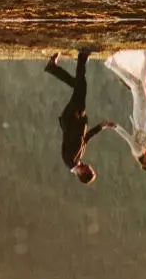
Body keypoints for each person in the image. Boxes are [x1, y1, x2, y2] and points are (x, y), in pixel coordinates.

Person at [44, 50, 115, 183]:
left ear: (82, 173)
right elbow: (86, 138)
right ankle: (53, 68)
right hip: (76, 116)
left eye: (89, 170)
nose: (89, 166)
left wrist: (78, 117)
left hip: (72, 117)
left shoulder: (69, 160)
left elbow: (74, 135)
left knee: (81, 87)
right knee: (79, 86)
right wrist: (101, 126)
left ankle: (82, 57)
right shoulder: (77, 159)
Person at [103, 48, 146, 172]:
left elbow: (128, 138)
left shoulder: (138, 151)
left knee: (137, 86)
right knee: (145, 84)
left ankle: (111, 64)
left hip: (141, 120)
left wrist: (115, 127)